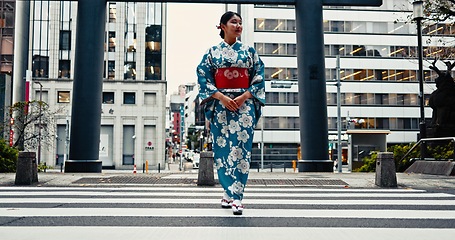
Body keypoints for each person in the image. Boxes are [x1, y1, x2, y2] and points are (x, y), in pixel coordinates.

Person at [197, 11, 265, 215]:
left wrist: (244, 97)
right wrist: (222, 97)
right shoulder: (212, 53)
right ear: (222, 26)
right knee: (223, 151)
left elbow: (259, 77)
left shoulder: (249, 52)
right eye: (233, 22)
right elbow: (203, 77)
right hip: (221, 106)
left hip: (244, 106)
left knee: (242, 150)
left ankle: (237, 196)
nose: (238, 26)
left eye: (240, 23)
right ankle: (228, 192)